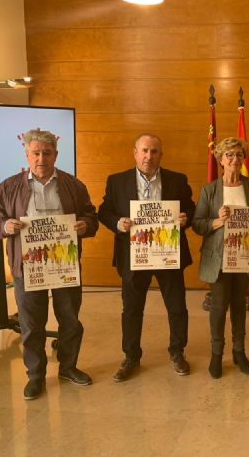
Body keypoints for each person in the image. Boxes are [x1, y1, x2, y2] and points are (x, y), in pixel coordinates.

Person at [0, 129, 98, 400]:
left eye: (47, 153)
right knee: (32, 325)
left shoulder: (73, 185)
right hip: (27, 268)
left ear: (56, 155)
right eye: (35, 153)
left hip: (64, 265)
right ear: (27, 155)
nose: (41, 158)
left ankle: (68, 367)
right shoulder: (8, 187)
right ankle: (36, 377)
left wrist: (85, 225)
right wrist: (5, 226)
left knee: (70, 320)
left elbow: (90, 215)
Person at [98, 133, 195, 381]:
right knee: (131, 309)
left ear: (161, 155)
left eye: (154, 152)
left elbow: (191, 208)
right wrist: (117, 222)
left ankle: (177, 351)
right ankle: (131, 356)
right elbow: (104, 211)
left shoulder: (177, 180)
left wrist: (185, 218)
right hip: (134, 254)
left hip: (168, 254)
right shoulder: (116, 181)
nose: (148, 156)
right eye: (144, 151)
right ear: (135, 153)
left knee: (176, 307)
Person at [192, 138, 249, 378]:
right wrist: (217, 221)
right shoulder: (210, 190)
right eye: (230, 155)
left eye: (239, 155)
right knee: (218, 306)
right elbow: (197, 224)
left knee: (239, 305)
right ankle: (216, 354)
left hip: (244, 256)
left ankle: (239, 351)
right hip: (218, 259)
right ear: (221, 160)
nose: (235, 159)